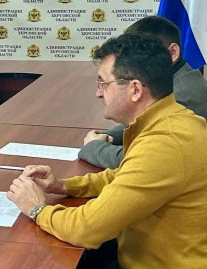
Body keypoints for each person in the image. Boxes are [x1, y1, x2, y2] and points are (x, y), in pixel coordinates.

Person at [7, 33, 207, 269]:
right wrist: (64, 186)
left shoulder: (166, 142)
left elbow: (88, 229)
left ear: (135, 89)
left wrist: (37, 209)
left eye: (103, 83)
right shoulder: (173, 121)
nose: (98, 93)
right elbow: (124, 177)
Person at [79, 15, 207, 168]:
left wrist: (94, 148)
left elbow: (142, 159)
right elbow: (143, 122)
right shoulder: (175, 78)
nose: (131, 60)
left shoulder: (182, 95)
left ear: (173, 52)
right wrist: (108, 136)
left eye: (143, 51)